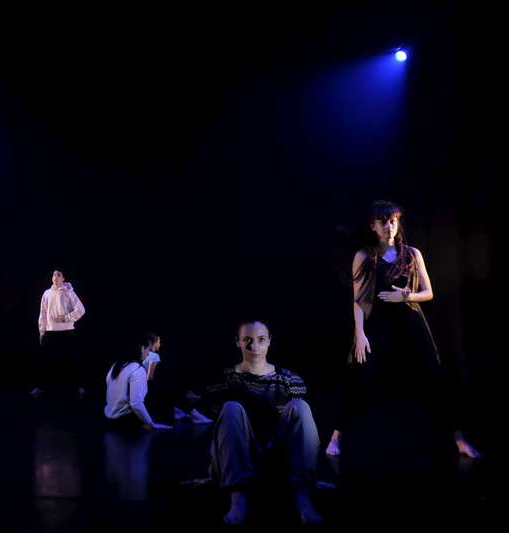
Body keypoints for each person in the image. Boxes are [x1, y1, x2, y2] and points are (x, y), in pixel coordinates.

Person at [324, 201, 479, 459]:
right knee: (357, 375)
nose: (389, 226)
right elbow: (358, 299)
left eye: (393, 220)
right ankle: (335, 437)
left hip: (411, 322)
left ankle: (459, 439)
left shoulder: (412, 254)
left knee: (435, 377)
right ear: (374, 226)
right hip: (377, 324)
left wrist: (407, 296)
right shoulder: (365, 256)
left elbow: (428, 292)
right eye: (383, 221)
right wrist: (359, 334)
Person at [204, 320, 322, 526]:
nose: (255, 346)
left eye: (261, 339)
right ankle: (238, 497)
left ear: (269, 341)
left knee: (300, 406)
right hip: (238, 457)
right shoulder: (225, 379)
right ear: (238, 342)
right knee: (231, 408)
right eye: (247, 340)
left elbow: (297, 426)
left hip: (278, 455)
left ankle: (303, 496)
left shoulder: (289, 379)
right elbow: (221, 428)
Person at [31, 270, 86, 398]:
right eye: (54, 275)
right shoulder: (47, 293)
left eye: (58, 275)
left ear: (63, 278)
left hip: (67, 332)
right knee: (43, 361)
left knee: (74, 360)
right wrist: (42, 332)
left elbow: (81, 310)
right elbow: (42, 313)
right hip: (50, 332)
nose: (55, 277)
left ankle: (80, 387)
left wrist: (66, 318)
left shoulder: (69, 292)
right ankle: (39, 388)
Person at [104, 334, 173, 432]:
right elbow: (136, 404)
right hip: (125, 422)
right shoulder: (138, 369)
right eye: (148, 350)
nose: (148, 354)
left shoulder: (116, 365)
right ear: (142, 348)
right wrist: (151, 424)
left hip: (108, 419)